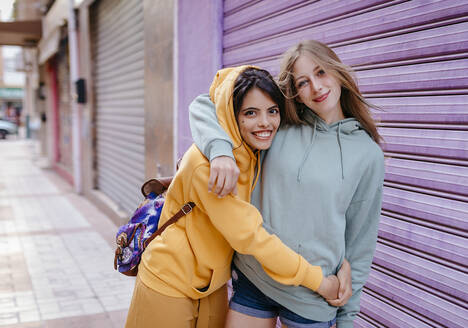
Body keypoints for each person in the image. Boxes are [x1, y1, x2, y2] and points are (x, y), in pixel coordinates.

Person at [125, 65, 348, 328]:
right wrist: (319, 281)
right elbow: (251, 237)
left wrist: (337, 258)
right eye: (250, 113)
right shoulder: (207, 167)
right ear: (232, 115)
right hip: (168, 278)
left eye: (272, 111)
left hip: (212, 284)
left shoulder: (255, 151)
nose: (264, 123)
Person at [189, 40, 384, 328]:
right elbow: (205, 103)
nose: (316, 87)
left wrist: (346, 319)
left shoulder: (368, 154)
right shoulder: (277, 123)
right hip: (255, 280)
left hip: (313, 295)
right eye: (303, 82)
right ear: (295, 92)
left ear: (337, 71)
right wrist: (220, 150)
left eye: (321, 73)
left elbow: (360, 242)